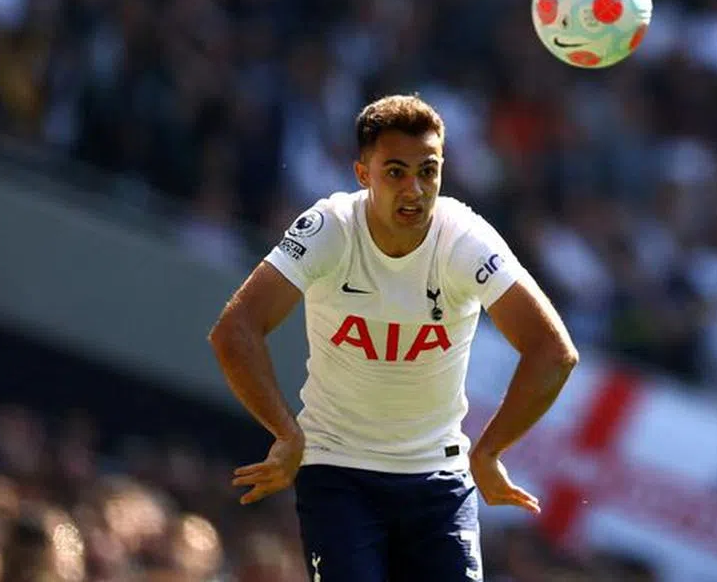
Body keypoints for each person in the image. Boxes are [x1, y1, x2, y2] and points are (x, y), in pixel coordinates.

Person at [208, 94, 580, 582]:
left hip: (438, 481)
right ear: (363, 174)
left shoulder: (465, 240)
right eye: (396, 172)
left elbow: (554, 353)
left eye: (428, 171)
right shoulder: (330, 229)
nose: (415, 189)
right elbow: (234, 331)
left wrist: (488, 452)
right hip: (338, 474)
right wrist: (286, 433)